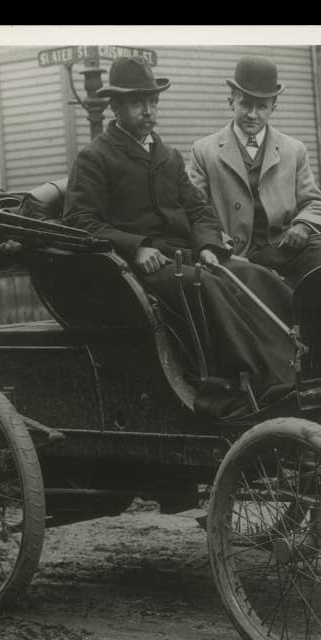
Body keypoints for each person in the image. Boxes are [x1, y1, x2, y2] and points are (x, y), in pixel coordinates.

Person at [61, 56, 295, 416]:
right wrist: (135, 248)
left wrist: (207, 246)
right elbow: (79, 221)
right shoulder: (96, 158)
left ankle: (289, 371)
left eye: (153, 102)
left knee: (251, 274)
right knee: (205, 287)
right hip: (134, 267)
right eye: (138, 102)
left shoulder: (167, 157)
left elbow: (199, 210)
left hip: (186, 253)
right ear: (115, 106)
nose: (148, 111)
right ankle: (242, 386)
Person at [189, 56, 321, 289]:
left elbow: (315, 203)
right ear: (231, 101)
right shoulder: (204, 151)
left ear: (274, 107)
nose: (253, 114)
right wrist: (215, 245)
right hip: (236, 255)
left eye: (261, 106)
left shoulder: (293, 150)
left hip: (283, 250)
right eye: (245, 104)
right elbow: (195, 211)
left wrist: (302, 226)